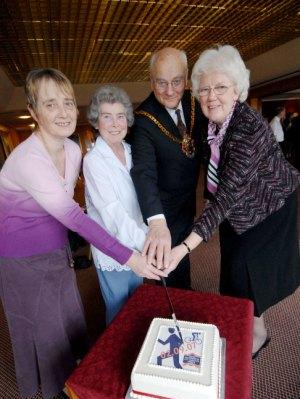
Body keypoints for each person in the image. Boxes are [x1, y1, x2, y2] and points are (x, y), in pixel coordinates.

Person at [0, 68, 164, 399]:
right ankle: (54, 388)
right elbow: (74, 214)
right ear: (33, 111)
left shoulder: (74, 151)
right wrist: (130, 257)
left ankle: (75, 371)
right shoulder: (27, 159)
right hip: (20, 254)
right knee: (42, 325)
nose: (62, 112)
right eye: (50, 104)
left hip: (57, 248)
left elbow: (67, 210)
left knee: (70, 316)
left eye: (68, 102)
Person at [164, 45, 300, 358]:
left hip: (270, 206)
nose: (212, 96)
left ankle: (257, 334)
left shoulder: (247, 127)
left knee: (248, 270)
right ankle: (250, 323)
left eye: (221, 87)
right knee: (234, 267)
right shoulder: (210, 121)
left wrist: (183, 247)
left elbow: (227, 195)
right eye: (205, 89)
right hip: (237, 207)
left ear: (237, 89)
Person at [130, 47, 205, 289]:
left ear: (186, 78)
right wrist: (157, 222)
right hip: (162, 209)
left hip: (186, 202)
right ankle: (168, 313)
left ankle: (185, 294)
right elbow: (144, 173)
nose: (170, 91)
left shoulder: (196, 103)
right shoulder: (143, 120)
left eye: (176, 81)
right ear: (151, 82)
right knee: (163, 266)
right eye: (161, 83)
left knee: (182, 256)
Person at [83, 85, 148, 325]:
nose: (114, 123)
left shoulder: (133, 151)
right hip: (114, 250)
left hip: (140, 241)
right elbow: (113, 213)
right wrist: (148, 246)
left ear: (127, 120)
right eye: (106, 116)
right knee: (118, 309)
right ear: (96, 121)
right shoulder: (93, 161)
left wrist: (148, 240)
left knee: (137, 301)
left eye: (120, 116)